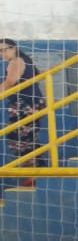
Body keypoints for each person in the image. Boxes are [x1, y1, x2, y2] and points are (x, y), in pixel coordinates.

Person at [0, 39, 47, 185]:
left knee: (19, 141)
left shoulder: (16, 62)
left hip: (26, 105)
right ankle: (38, 173)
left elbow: (9, 83)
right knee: (27, 140)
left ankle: (34, 176)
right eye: (0, 51)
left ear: (13, 48)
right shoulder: (24, 60)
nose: (2, 53)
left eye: (4, 49)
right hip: (29, 104)